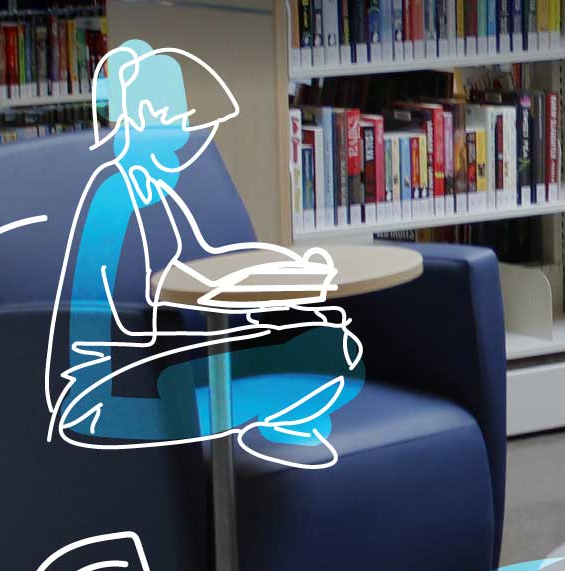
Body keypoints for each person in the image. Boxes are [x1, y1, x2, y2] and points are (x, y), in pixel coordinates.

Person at [49, 40, 362, 468]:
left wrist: (286, 273)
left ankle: (281, 425)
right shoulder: (113, 199)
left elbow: (210, 262)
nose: (184, 141)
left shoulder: (160, 193)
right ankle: (282, 425)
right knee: (313, 354)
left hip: (174, 363)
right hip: (116, 390)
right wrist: (224, 332)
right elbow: (117, 326)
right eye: (177, 121)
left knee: (334, 344)